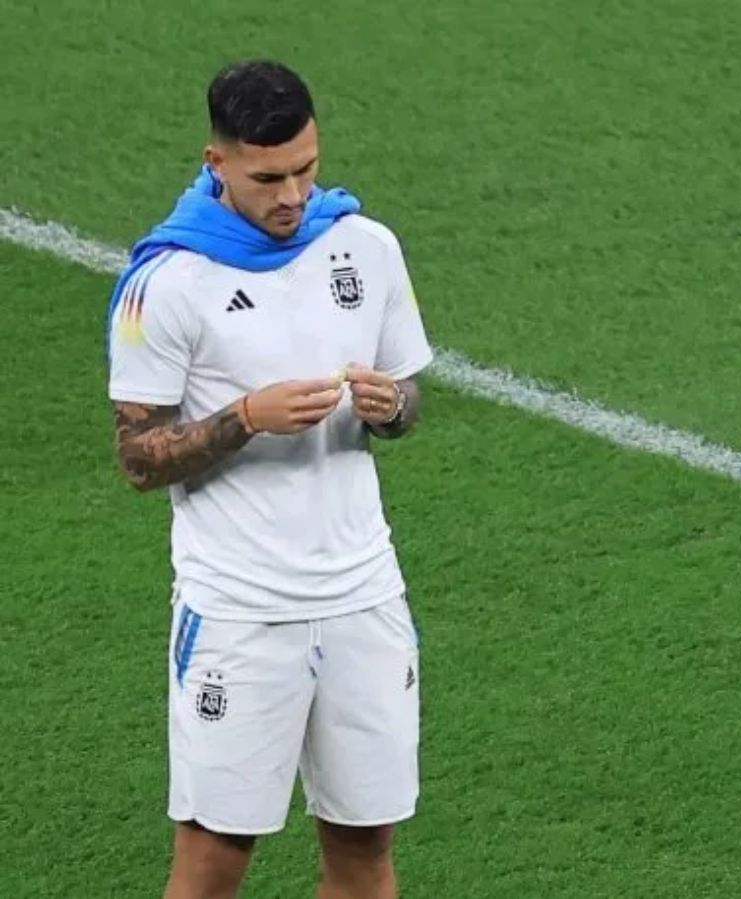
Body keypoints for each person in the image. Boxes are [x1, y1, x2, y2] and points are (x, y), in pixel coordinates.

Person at [107, 59, 432, 898]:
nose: (291, 195)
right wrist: (245, 417)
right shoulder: (165, 285)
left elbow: (409, 402)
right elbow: (139, 457)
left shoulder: (365, 245)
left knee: (366, 843)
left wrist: (392, 402)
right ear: (217, 164)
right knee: (215, 858)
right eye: (267, 178)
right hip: (241, 610)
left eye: (305, 169)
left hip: (363, 594)